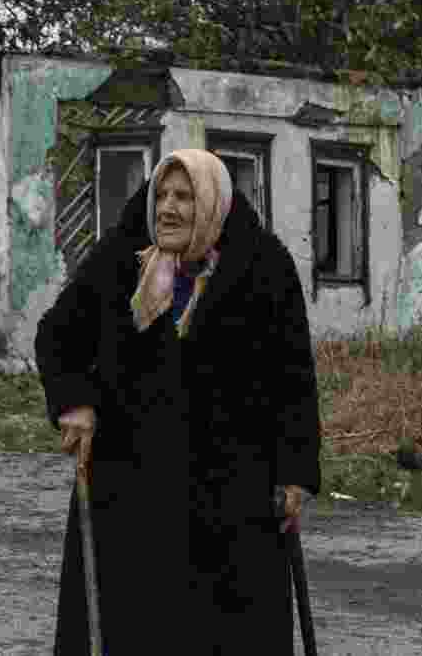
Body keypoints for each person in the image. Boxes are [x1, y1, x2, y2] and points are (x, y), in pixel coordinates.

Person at [35, 149, 321, 654]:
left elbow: (292, 376)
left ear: (212, 203)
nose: (167, 208)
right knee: (133, 625)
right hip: (132, 485)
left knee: (225, 630)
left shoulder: (264, 266)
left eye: (184, 196)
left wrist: (294, 472)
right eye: (160, 195)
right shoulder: (123, 260)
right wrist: (74, 401)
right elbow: (58, 334)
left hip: (232, 492)